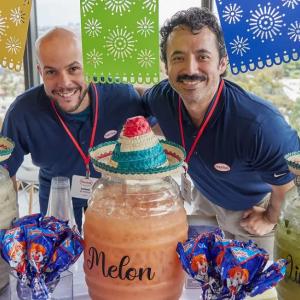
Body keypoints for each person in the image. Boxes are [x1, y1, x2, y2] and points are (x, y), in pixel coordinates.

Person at [142, 7, 300, 256]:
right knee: (203, 278)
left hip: (255, 208)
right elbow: (140, 101)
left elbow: (289, 185)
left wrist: (270, 217)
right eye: (178, 57)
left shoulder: (259, 125)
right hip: (206, 198)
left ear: (222, 62)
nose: (190, 69)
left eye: (203, 56)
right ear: (166, 66)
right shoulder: (161, 98)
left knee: (254, 287)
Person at [1, 27, 148, 232]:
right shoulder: (23, 111)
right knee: (58, 258)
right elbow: (4, 172)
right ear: (40, 72)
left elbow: (160, 128)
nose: (64, 83)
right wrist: (9, 229)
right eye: (51, 72)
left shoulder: (121, 97)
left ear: (87, 65)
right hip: (56, 195)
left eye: (73, 69)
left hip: (111, 195)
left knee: (109, 255)